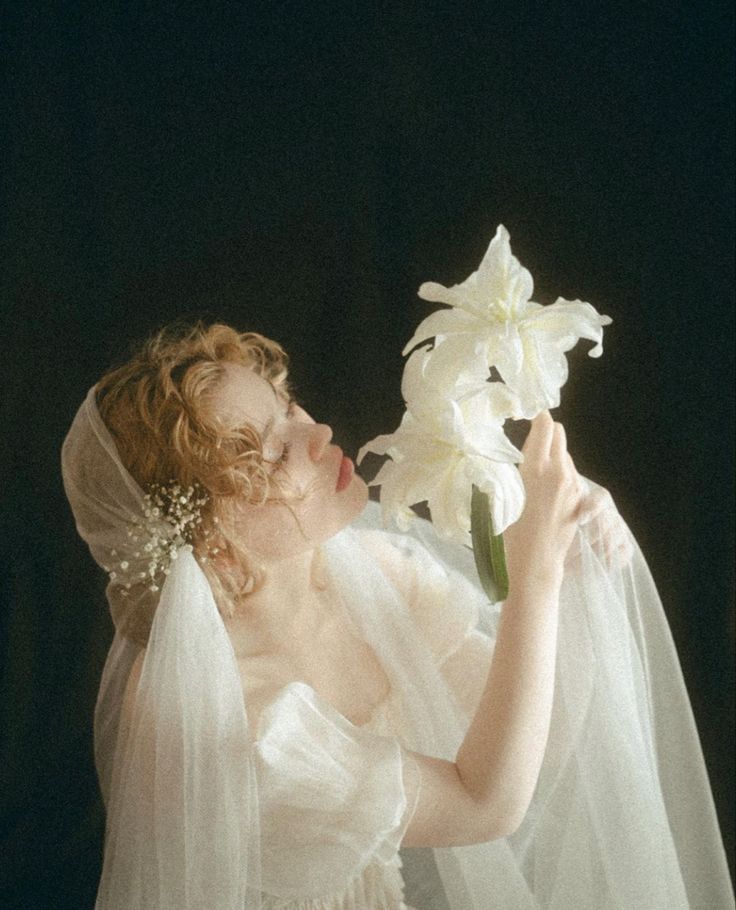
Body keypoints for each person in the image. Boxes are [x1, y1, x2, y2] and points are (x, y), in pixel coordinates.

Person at [61, 322, 733, 909]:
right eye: (270, 450)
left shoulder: (367, 572)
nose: (318, 433)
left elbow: (536, 742)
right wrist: (533, 575)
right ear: (209, 538)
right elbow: (483, 805)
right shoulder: (235, 720)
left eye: (290, 406)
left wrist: (576, 567)